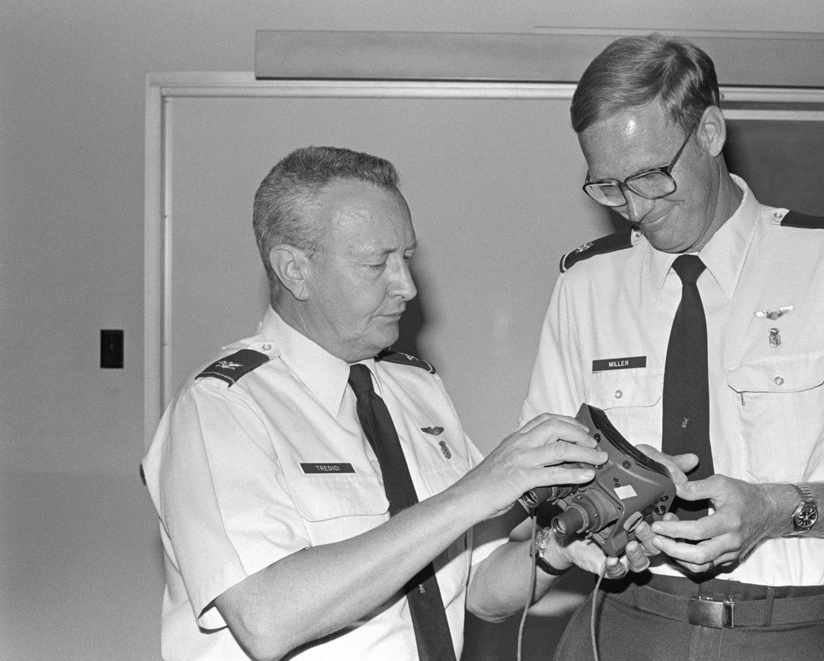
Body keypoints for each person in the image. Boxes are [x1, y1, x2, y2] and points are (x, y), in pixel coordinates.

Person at [520, 34, 824, 660]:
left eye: (651, 176)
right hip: (617, 625)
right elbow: (545, 482)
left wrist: (777, 509)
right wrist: (582, 525)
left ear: (710, 132)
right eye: (609, 188)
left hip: (789, 633)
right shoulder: (584, 286)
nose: (636, 211)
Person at [141, 146, 657, 661]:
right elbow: (266, 618)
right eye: (374, 264)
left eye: (406, 258)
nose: (406, 286)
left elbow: (474, 588)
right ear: (294, 270)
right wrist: (469, 495)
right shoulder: (222, 408)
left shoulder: (414, 388)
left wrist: (552, 553)